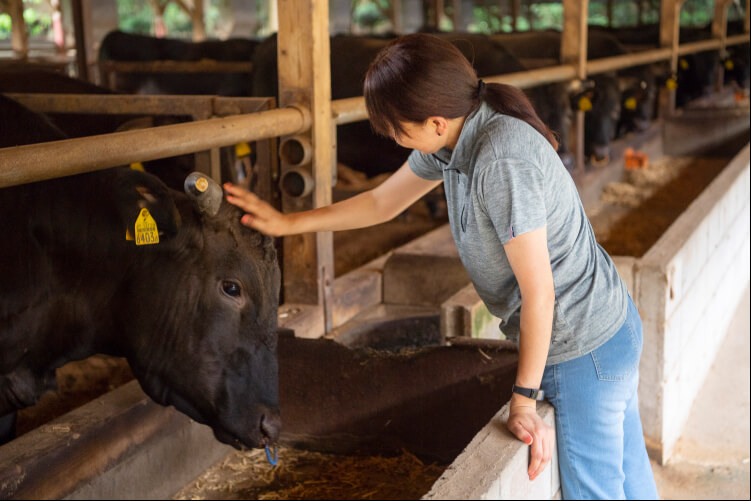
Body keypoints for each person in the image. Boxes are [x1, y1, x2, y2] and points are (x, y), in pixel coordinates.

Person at [224, 33, 659, 500]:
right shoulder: (456, 138)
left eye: (396, 128)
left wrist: (523, 398)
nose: (392, 138)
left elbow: (540, 293)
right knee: (630, 481)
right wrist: (287, 223)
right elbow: (381, 202)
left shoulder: (499, 159)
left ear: (435, 121)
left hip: (582, 350)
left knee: (596, 492)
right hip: (606, 330)